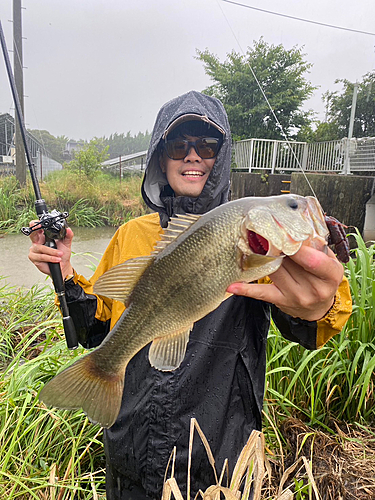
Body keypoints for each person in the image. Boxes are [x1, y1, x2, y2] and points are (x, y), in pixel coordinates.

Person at [28, 90, 352, 500]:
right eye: (178, 145)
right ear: (160, 158)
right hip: (133, 450)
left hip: (221, 460)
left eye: (207, 145)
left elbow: (307, 324)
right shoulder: (132, 235)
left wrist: (321, 304)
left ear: (222, 157)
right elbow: (99, 330)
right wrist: (68, 274)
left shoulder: (259, 247)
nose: (193, 155)